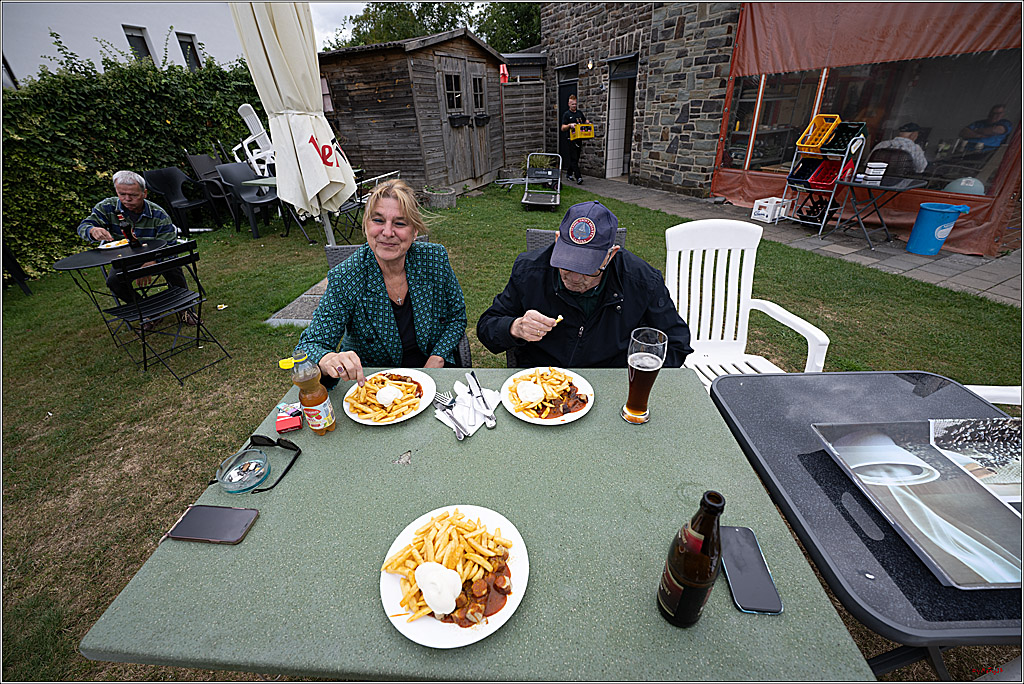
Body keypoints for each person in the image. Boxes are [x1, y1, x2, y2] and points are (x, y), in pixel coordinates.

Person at [477, 201, 692, 368]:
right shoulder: (529, 270)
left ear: (610, 255)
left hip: (610, 383)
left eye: (587, 268)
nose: (574, 278)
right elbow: (487, 327)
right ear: (557, 241)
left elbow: (676, 343)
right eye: (566, 264)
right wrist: (515, 327)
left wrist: (634, 374)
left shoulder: (642, 280)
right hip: (542, 380)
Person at [295, 179, 467, 388]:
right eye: (378, 220)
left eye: (400, 223)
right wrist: (326, 359)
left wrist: (437, 357)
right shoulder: (346, 277)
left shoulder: (434, 259)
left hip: (435, 377)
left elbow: (456, 316)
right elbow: (310, 345)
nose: (387, 232)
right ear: (366, 226)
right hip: (374, 386)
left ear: (414, 232)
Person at [77, 170, 196, 325]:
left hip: (155, 257)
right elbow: (84, 226)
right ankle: (148, 312)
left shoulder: (158, 214)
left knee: (173, 267)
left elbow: (170, 246)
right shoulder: (107, 207)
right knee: (114, 282)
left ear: (144, 193)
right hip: (125, 259)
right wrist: (92, 231)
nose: (127, 199)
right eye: (121, 194)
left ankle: (185, 310)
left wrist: (151, 263)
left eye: (133, 195)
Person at [560, 94, 590, 185]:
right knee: (573, 158)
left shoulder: (579, 113)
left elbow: (584, 121)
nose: (574, 106)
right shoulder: (566, 114)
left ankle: (569, 173)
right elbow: (562, 127)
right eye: (572, 104)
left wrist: (587, 122)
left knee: (576, 159)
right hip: (570, 139)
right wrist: (569, 125)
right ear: (569, 104)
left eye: (575, 104)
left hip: (579, 138)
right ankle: (578, 177)